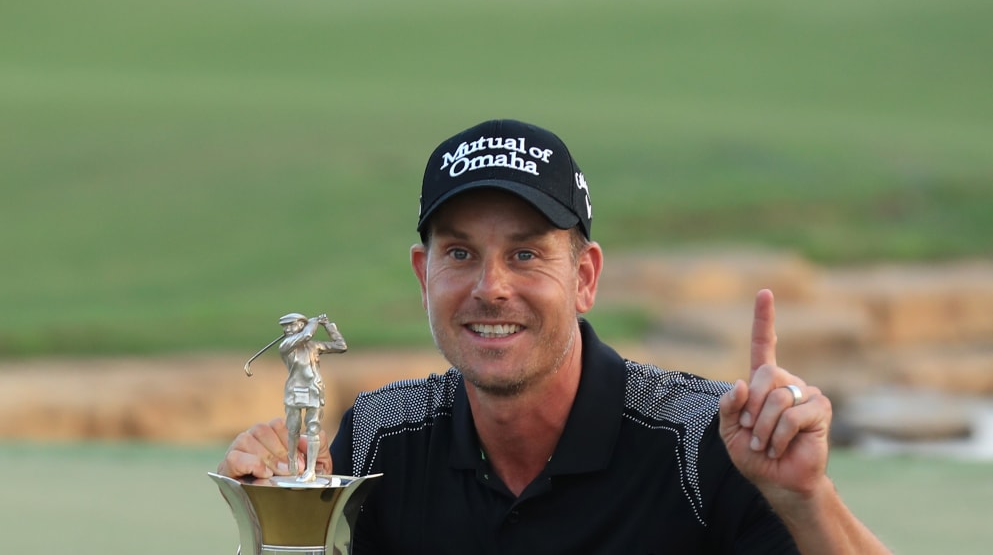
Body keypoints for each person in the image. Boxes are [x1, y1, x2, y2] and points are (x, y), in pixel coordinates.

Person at [218, 119, 890, 553]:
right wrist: (275, 517)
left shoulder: (706, 439)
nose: (490, 287)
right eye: (459, 254)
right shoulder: (379, 433)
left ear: (585, 276)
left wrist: (806, 499)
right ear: (424, 276)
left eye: (525, 254)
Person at [276, 312, 347, 481]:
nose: (287, 329)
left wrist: (328, 326)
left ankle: (310, 470)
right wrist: (313, 323)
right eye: (285, 327)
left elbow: (341, 346)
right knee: (293, 429)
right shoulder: (286, 346)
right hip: (295, 391)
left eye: (292, 325)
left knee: (313, 429)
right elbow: (307, 334)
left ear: (301, 324)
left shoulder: (314, 346)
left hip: (314, 390)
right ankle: (292, 460)